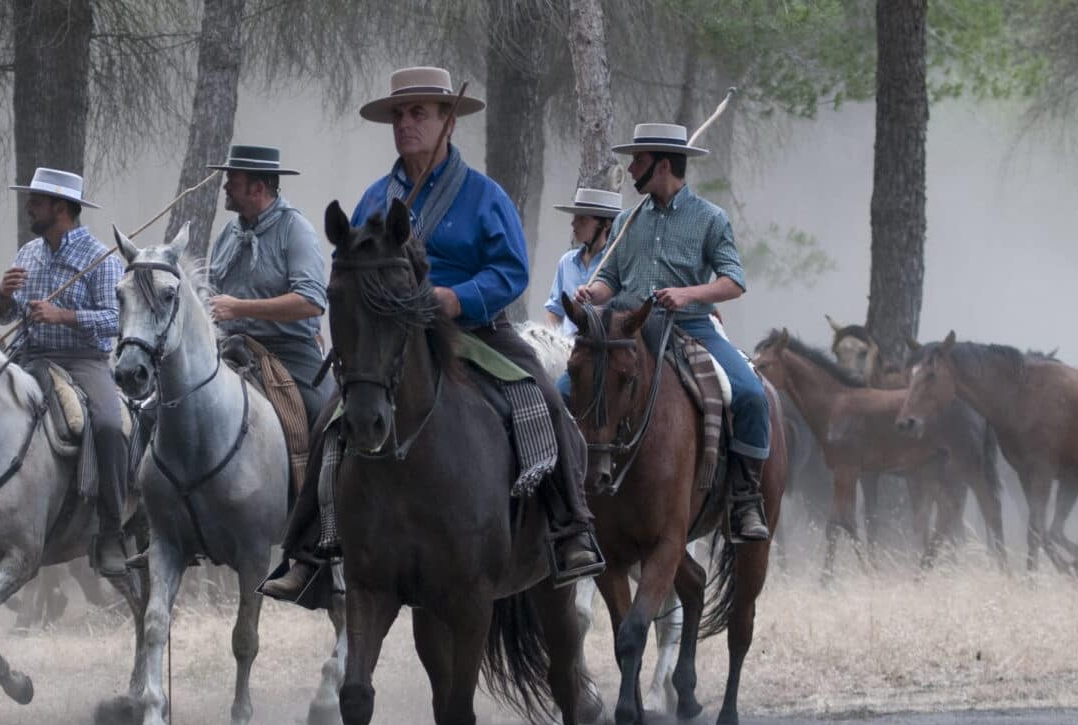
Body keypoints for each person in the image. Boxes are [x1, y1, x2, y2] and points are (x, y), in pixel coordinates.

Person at [262, 66, 606, 605]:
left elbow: (511, 271)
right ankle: (308, 549)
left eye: (418, 113)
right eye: (399, 114)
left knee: (543, 399)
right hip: (397, 343)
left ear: (449, 120)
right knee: (332, 419)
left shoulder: (484, 196)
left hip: (477, 331)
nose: (405, 124)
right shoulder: (376, 198)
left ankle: (570, 529)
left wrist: (456, 297)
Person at [573, 122, 774, 541]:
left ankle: (745, 497)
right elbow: (609, 277)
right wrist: (592, 292)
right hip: (627, 330)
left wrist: (687, 294)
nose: (630, 170)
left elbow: (733, 281)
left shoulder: (710, 219)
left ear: (662, 166)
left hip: (694, 326)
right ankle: (567, 500)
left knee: (752, 395)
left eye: (638, 161)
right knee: (562, 389)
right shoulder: (628, 221)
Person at [0, 167, 135, 577]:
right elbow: (3, 313)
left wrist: (64, 316)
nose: (29, 206)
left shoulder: (99, 257)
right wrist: (2, 297)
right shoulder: (28, 253)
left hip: (83, 362)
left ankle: (111, 532)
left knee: (107, 425)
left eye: (36, 200)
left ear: (59, 207)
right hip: (30, 355)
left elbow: (115, 320)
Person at [203, 142, 332, 424]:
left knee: (323, 412)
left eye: (232, 182)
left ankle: (325, 468)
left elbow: (311, 303)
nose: (225, 187)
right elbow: (210, 291)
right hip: (228, 345)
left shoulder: (295, 230)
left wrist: (240, 308)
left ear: (258, 189)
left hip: (288, 351)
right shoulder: (228, 232)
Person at [544, 186, 621, 326]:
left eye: (582, 219)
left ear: (606, 224)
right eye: (575, 218)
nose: (573, 224)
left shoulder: (616, 265)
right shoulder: (566, 261)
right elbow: (554, 311)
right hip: (563, 346)